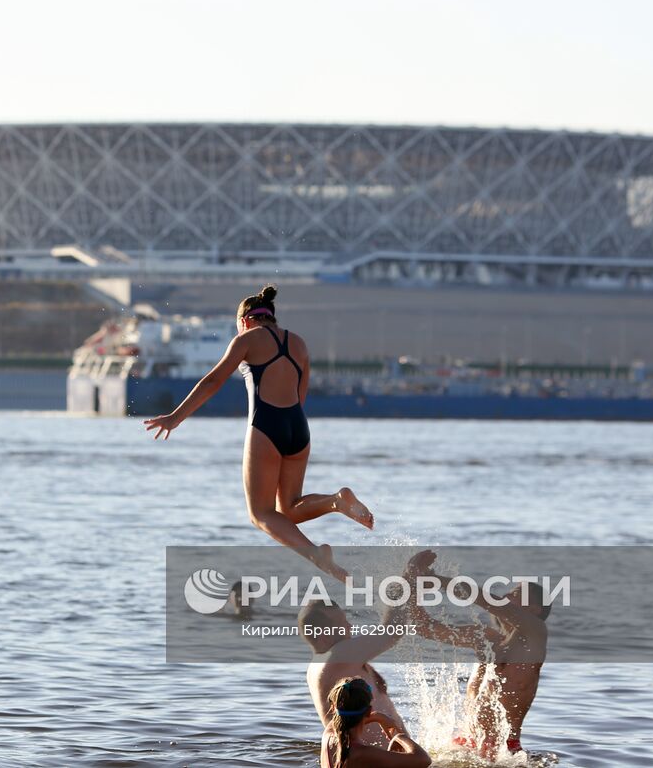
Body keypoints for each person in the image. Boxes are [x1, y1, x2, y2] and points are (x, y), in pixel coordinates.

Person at [144, 285, 373, 580]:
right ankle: (336, 501)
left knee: (261, 514)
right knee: (287, 510)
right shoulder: (299, 344)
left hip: (266, 425)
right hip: (298, 429)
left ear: (244, 321)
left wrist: (176, 417)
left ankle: (318, 556)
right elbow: (300, 397)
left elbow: (213, 381)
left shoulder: (247, 339)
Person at [403, 550, 549, 757]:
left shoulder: (536, 633)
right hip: (465, 742)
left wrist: (435, 580)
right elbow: (424, 627)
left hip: (503, 750)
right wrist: (412, 585)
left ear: (534, 610)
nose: (507, 596)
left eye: (515, 594)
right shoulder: (485, 639)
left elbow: (489, 600)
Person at [301, 600, 430, 767]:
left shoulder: (334, 666)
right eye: (342, 623)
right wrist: (403, 589)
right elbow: (391, 631)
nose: (350, 626)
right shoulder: (335, 658)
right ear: (324, 635)